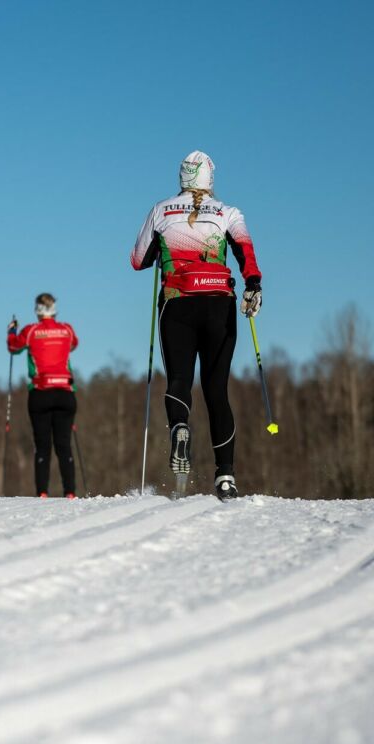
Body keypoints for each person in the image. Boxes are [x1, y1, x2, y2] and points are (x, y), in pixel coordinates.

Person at [130, 150, 263, 500]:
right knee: (216, 390)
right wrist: (253, 286)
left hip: (177, 303)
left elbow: (136, 260)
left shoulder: (161, 210)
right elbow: (246, 253)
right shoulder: (229, 212)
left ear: (182, 178)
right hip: (220, 305)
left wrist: (163, 247)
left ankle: (180, 428)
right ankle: (226, 476)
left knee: (179, 380)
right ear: (210, 179)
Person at [7, 293, 79, 498]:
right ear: (54, 309)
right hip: (65, 393)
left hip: (41, 393)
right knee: (64, 444)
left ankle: (42, 492)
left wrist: (11, 331)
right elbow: (73, 344)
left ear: (38, 310)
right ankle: (70, 492)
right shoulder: (66, 329)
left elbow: (13, 347)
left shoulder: (31, 331)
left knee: (42, 446)